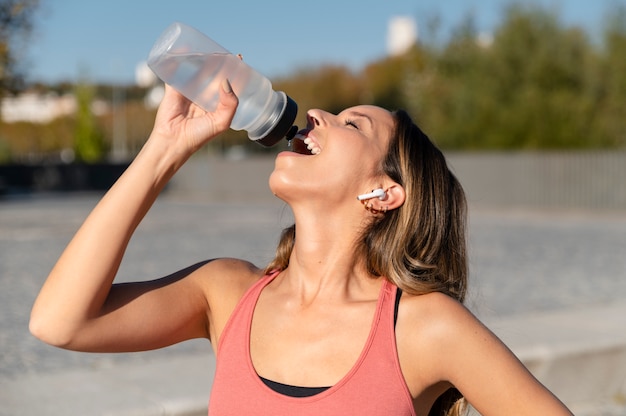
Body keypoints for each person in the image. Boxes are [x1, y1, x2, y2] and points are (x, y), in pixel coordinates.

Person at [30, 80, 573, 416]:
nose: (318, 116)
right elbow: (60, 322)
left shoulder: (425, 327)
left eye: (352, 123)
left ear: (383, 193)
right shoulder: (227, 294)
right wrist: (164, 150)